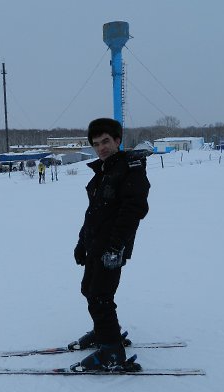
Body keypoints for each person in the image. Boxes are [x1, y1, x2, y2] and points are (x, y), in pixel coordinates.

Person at [69, 118, 150, 372]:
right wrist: (81, 242)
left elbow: (134, 210)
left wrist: (116, 247)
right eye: (96, 144)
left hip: (112, 247)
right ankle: (103, 332)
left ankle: (112, 351)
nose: (101, 148)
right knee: (89, 290)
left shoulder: (130, 169)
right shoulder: (104, 172)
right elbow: (93, 213)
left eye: (106, 141)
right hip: (95, 244)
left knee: (100, 295)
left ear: (117, 140)